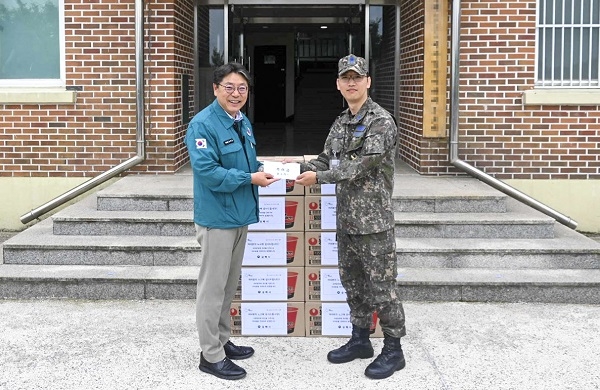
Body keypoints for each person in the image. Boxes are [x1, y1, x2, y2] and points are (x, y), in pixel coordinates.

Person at [295, 54, 406, 380]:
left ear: (368, 81)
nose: (352, 82)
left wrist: (319, 178)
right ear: (339, 84)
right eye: (346, 78)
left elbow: (360, 167)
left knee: (382, 289)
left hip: (374, 224)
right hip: (346, 222)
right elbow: (326, 161)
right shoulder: (341, 122)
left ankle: (394, 348)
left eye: (357, 77)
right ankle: (360, 339)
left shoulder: (380, 122)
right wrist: (292, 169)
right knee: (353, 284)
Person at [184, 62, 278, 381]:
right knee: (211, 289)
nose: (236, 94)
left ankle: (222, 341)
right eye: (229, 87)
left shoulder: (242, 122)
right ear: (215, 89)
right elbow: (208, 172)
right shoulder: (203, 125)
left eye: (242, 88)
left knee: (227, 286)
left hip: (239, 215)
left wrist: (275, 168)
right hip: (217, 219)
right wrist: (250, 177)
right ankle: (210, 355)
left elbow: (250, 163)